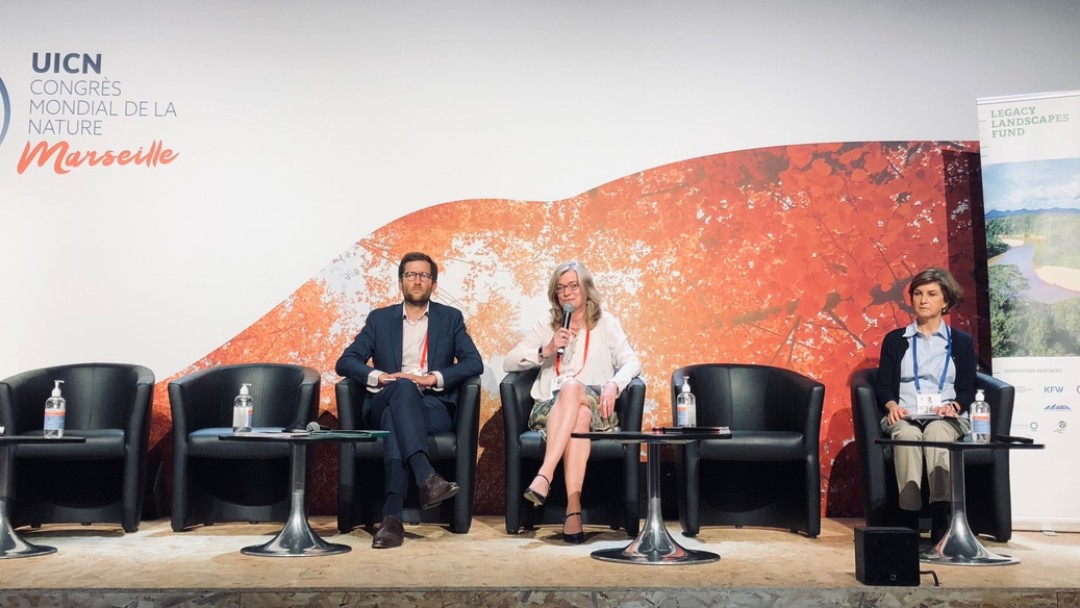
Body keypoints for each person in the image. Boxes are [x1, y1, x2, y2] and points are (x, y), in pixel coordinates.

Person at [335, 252, 483, 549]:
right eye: (411, 275)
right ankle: (426, 476)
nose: (417, 280)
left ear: (433, 283)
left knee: (396, 420)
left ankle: (391, 519)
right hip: (386, 397)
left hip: (431, 406)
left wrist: (433, 378)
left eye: (424, 275)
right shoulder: (379, 319)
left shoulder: (449, 318)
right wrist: (380, 376)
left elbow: (473, 363)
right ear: (401, 281)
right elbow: (346, 361)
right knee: (401, 389)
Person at [504, 260, 642, 543]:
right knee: (575, 409)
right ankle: (574, 510)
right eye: (560, 288)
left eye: (572, 286)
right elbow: (509, 361)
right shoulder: (549, 326)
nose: (566, 293)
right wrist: (547, 348)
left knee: (573, 388)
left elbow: (631, 362)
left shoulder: (605, 323)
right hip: (550, 408)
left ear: (586, 288)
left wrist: (615, 384)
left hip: (596, 405)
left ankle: (545, 473)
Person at [874, 267, 975, 542]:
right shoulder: (896, 340)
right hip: (905, 414)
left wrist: (954, 406)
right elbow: (884, 385)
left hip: (945, 416)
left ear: (946, 301)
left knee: (937, 433)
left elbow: (967, 388)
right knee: (907, 435)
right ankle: (908, 514)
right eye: (918, 293)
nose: (923, 300)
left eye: (931, 294)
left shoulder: (961, 342)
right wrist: (892, 405)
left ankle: (942, 513)